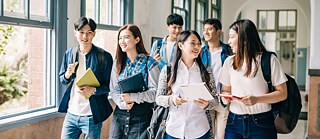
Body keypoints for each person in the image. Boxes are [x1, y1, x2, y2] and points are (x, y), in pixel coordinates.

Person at [219, 19, 288, 139]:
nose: (228, 42)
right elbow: (225, 90)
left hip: (262, 123)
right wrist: (226, 98)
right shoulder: (228, 62)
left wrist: (257, 99)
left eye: (231, 37)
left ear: (244, 39)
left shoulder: (269, 60)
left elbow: (282, 93)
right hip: (234, 122)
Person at [155, 30, 219, 139]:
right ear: (181, 45)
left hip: (200, 130)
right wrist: (172, 100)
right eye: (193, 43)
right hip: (173, 130)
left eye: (199, 44)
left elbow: (215, 101)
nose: (197, 47)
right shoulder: (168, 70)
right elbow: (158, 98)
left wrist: (207, 105)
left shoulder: (206, 71)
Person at [58, 17, 113, 139]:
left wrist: (93, 90)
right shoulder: (69, 54)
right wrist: (67, 74)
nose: (85, 36)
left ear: (94, 34)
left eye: (89, 33)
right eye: (81, 32)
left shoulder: (104, 56)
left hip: (91, 116)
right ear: (75, 33)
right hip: (71, 114)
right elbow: (62, 79)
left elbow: (110, 86)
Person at [109, 24, 160, 139]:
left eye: (126, 37)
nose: (122, 41)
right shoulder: (117, 63)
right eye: (120, 38)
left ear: (137, 39)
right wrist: (122, 104)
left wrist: (132, 97)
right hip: (119, 116)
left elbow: (155, 93)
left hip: (142, 118)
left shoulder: (150, 63)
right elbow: (113, 90)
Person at [201, 18, 233, 139]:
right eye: (204, 30)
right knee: (209, 135)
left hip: (223, 100)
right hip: (207, 99)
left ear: (218, 32)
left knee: (221, 135)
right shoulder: (201, 52)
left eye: (210, 29)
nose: (206, 33)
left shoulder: (228, 51)